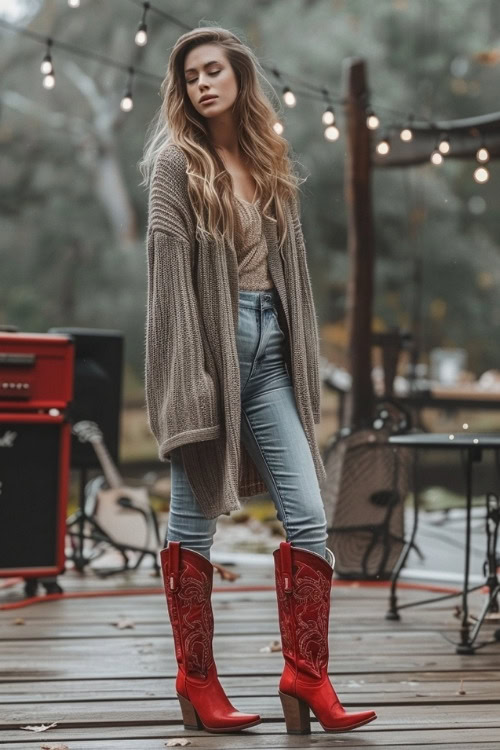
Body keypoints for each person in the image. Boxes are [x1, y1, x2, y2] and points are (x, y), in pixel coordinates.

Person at [139, 26, 377, 736]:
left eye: (214, 70)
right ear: (182, 91)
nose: (203, 84)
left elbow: (292, 281)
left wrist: (301, 361)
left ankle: (307, 676)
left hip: (271, 354)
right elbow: (168, 293)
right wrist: (190, 384)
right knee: (192, 525)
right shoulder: (174, 167)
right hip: (209, 354)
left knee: (308, 514)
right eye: (190, 77)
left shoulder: (267, 159)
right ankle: (198, 680)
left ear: (239, 75)